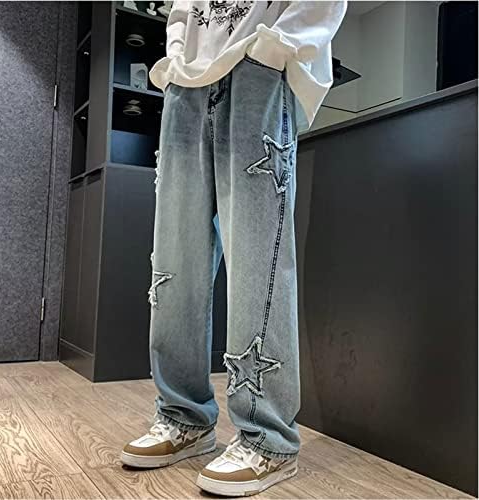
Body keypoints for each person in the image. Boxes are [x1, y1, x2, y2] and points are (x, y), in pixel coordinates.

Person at [121, 1, 347, 496]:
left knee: (257, 263)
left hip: (257, 69)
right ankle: (183, 416)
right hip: (187, 82)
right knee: (175, 265)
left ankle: (268, 437)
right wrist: (177, 58)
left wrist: (274, 49)